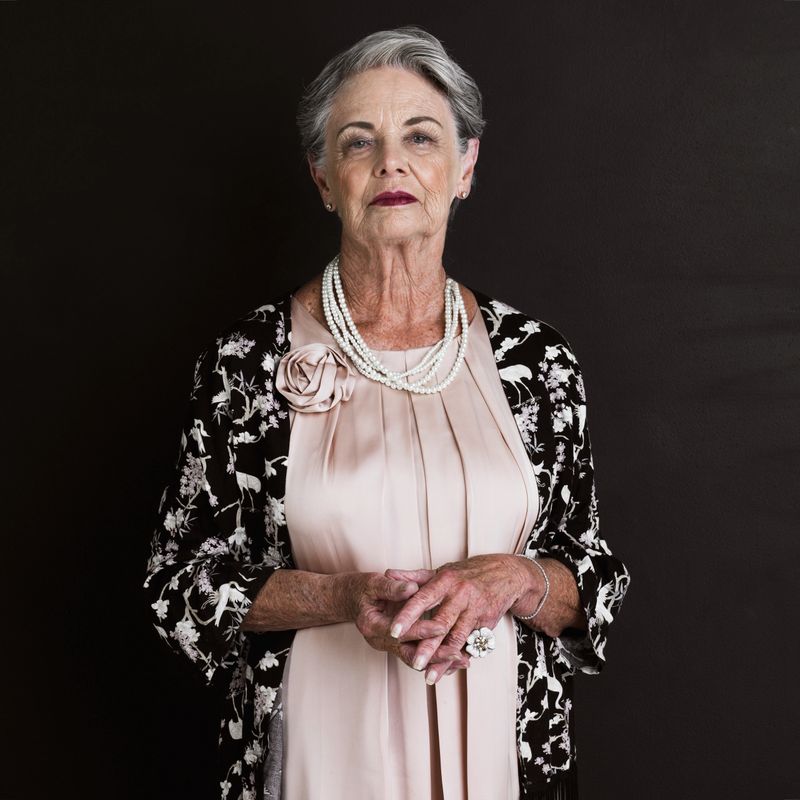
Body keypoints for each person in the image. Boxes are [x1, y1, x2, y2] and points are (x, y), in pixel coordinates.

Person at [144, 26, 631, 800]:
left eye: (421, 137)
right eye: (359, 142)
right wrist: (340, 598)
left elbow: (595, 580)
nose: (391, 164)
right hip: (319, 757)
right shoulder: (246, 361)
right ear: (324, 178)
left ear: (465, 166)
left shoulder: (538, 361)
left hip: (503, 763)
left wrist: (512, 579)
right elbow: (179, 585)